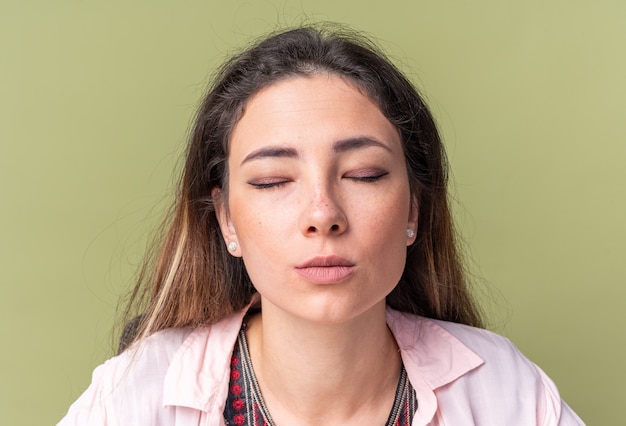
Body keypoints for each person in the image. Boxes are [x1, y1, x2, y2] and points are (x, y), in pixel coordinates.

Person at [58, 25, 584, 425]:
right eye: (271, 181)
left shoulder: (507, 393)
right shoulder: (132, 398)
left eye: (363, 174)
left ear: (413, 211)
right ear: (226, 221)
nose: (322, 215)